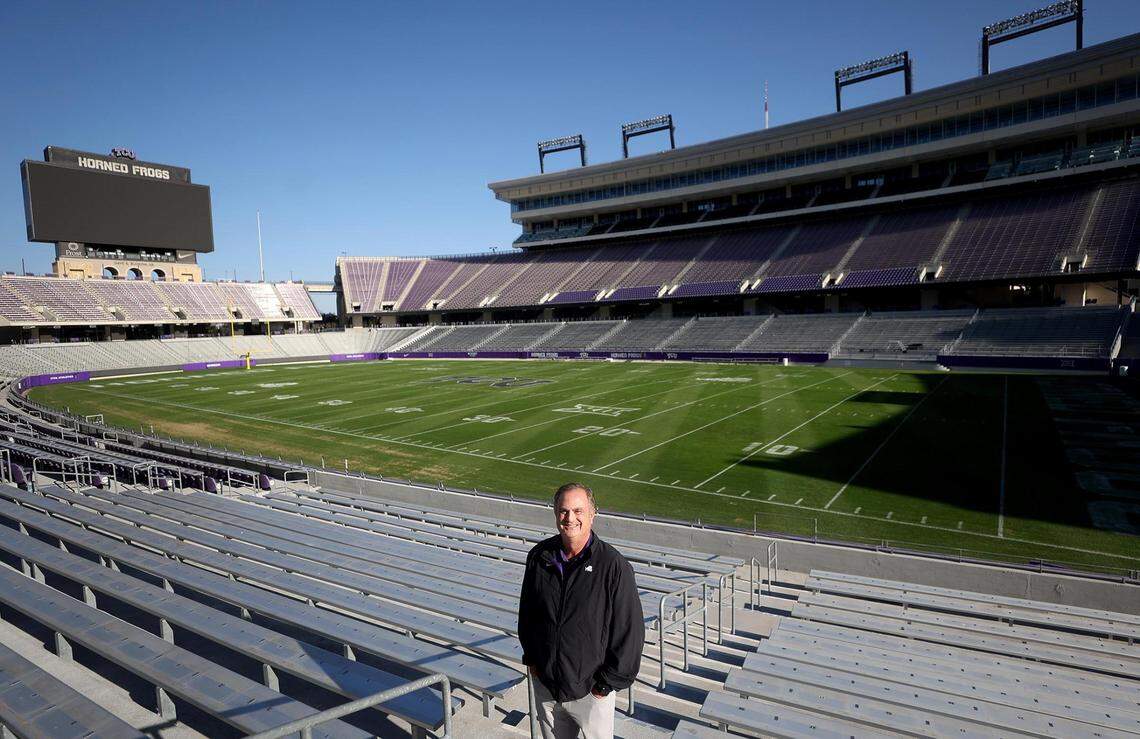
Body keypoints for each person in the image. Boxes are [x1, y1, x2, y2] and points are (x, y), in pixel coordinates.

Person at [517, 483, 645, 739]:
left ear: (592, 514)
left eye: (578, 511)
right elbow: (527, 613)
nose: (570, 518)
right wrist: (532, 660)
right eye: (563, 511)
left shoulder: (613, 566)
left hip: (591, 692)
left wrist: (604, 685)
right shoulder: (539, 557)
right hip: (548, 687)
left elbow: (629, 633)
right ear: (555, 514)